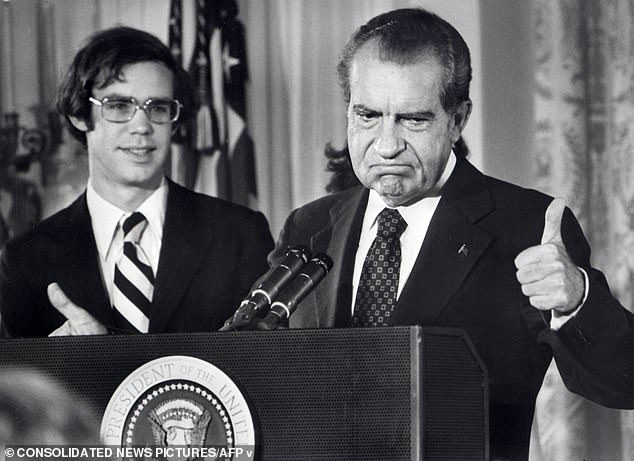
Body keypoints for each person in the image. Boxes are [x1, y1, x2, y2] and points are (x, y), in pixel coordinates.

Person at [268, 8, 634, 461]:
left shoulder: (526, 226)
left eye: (413, 120)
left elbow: (624, 381)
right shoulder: (309, 227)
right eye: (367, 115)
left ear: (457, 120)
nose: (386, 144)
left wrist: (576, 300)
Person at [0, 26, 274, 337]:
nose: (142, 126)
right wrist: (58, 362)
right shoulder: (25, 260)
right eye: (119, 106)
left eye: (157, 108)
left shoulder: (240, 234)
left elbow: (267, 369)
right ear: (79, 114)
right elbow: (17, 383)